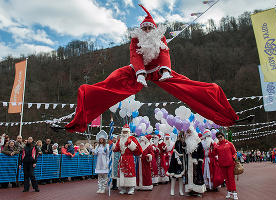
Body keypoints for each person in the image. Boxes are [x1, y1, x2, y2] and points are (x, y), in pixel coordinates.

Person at [64, 4, 240, 134]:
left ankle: (225, 114)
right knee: (108, 84)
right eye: (145, 28)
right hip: (135, 71)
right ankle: (80, 118)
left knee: (190, 87)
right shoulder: (136, 40)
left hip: (158, 71)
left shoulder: (160, 39)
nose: (147, 30)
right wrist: (139, 73)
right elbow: (135, 55)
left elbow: (164, 54)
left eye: (149, 27)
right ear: (141, 29)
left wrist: (165, 71)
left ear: (154, 29)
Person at [113, 124, 142, 195]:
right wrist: (112, 146)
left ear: (128, 132)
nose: (124, 133)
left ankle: (131, 188)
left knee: (130, 172)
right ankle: (123, 188)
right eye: (123, 132)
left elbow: (138, 150)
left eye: (126, 132)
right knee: (122, 173)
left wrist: (130, 143)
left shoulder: (133, 139)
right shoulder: (120, 139)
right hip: (122, 159)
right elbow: (116, 149)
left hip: (129, 159)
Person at [213, 132, 238, 200]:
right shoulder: (217, 146)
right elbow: (214, 154)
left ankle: (234, 193)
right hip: (222, 164)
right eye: (218, 137)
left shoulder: (229, 143)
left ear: (223, 136)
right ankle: (229, 192)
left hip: (230, 164)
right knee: (226, 179)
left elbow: (235, 152)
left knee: (231, 178)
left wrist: (233, 158)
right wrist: (213, 148)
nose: (220, 138)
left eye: (221, 137)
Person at [184, 127, 206, 196]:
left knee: (197, 174)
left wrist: (200, 160)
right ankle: (190, 189)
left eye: (189, 130)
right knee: (189, 175)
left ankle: (198, 190)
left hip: (196, 160)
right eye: (187, 131)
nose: (188, 132)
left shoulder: (197, 139)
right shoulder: (186, 139)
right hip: (188, 160)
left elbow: (201, 150)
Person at [167, 131, 185, 196]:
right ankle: (172, 190)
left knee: (181, 176)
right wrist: (178, 159)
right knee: (174, 176)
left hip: (182, 160)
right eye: (181, 135)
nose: (182, 137)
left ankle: (180, 190)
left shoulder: (185, 143)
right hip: (175, 160)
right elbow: (175, 151)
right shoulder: (177, 142)